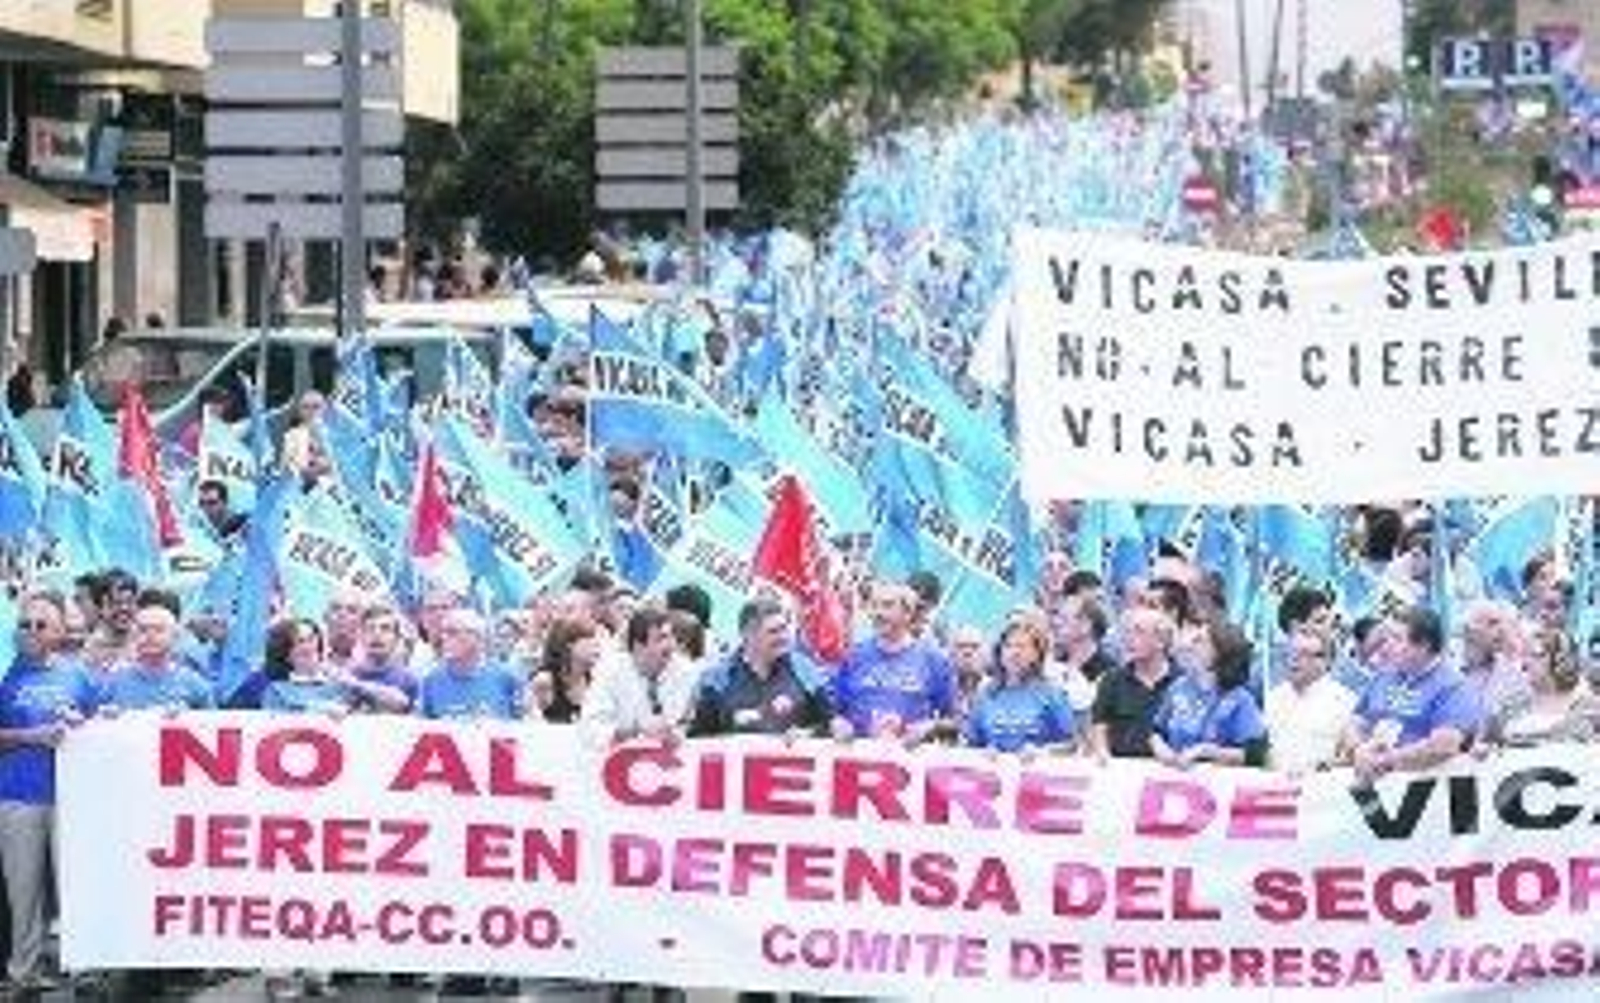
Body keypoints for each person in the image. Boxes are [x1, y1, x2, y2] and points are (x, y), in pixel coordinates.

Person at [0, 592, 98, 990]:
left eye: (42, 625)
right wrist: (32, 736)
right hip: (18, 797)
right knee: (22, 890)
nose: (31, 631)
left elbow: (100, 729)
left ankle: (84, 968)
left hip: (72, 799)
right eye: (25, 624)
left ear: (59, 632)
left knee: (76, 885)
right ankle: (22, 972)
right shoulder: (4, 674)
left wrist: (90, 724)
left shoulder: (79, 676)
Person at [1343, 606, 1482, 783]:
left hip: (1419, 787)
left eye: (1397, 639)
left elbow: (1444, 745)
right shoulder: (1384, 675)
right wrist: (1358, 749)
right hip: (1370, 780)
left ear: (1424, 645)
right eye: (1387, 638)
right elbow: (1355, 722)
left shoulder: (1453, 686)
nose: (1387, 646)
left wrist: (1386, 760)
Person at [828, 582, 956, 744]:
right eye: (874, 606)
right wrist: (839, 723)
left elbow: (953, 722)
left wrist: (929, 727)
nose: (878, 613)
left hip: (910, 757)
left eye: (887, 605)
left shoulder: (934, 659)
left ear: (907, 613)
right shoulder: (853, 656)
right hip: (860, 755)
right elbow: (836, 712)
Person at [688, 599, 831, 738]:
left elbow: (832, 724)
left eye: (784, 629)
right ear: (748, 635)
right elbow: (698, 737)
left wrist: (808, 733)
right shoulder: (717, 678)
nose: (784, 637)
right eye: (773, 631)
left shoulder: (804, 669)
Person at [1149, 620, 1267, 768]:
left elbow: (1255, 754)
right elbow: (1157, 731)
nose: (1189, 646)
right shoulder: (1179, 687)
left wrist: (1207, 751)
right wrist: (1160, 748)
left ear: (1220, 652)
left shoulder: (1240, 699)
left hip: (1218, 777)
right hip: (1175, 773)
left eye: (1200, 641)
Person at [580, 607, 697, 747]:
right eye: (661, 638)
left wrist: (674, 734)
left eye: (671, 637)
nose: (671, 645)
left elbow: (685, 724)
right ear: (638, 646)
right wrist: (636, 732)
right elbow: (593, 728)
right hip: (617, 753)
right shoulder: (609, 671)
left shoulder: (685, 670)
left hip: (669, 754)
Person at [963, 617, 1076, 754]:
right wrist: (984, 751)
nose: (1014, 653)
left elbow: (1071, 744)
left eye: (1021, 647)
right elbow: (972, 742)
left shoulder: (1052, 694)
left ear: (1036, 654)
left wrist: (1042, 752)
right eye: (1008, 646)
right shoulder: (986, 693)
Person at [1266, 628, 1357, 774]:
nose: (1294, 660)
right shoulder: (1274, 697)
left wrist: (1322, 768)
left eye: (1303, 654)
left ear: (1325, 661)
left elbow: (1351, 757)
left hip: (1320, 783)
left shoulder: (1344, 701)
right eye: (1290, 653)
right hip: (1273, 782)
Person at [1089, 606, 1175, 760]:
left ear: (1161, 641)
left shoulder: (1180, 683)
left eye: (1138, 632)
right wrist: (1103, 754)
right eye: (1128, 632)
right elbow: (1099, 726)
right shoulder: (1112, 680)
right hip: (1121, 765)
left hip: (1167, 765)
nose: (1129, 639)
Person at [98, 601, 215, 713]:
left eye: (159, 630)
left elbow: (212, 720)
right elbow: (92, 716)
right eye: (143, 630)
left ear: (175, 636)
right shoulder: (114, 681)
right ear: (133, 636)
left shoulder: (193, 683)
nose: (150, 636)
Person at [416, 609, 523, 720]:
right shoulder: (431, 680)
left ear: (476, 637)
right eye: (443, 633)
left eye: (452, 632)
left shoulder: (507, 677)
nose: (444, 638)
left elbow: (527, 722)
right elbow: (420, 724)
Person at [1502, 629, 1599, 745]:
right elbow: (1493, 742)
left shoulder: (1589, 706)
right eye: (1523, 656)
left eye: (1534, 655)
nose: (1524, 664)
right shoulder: (1513, 704)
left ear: (1559, 660)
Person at [261, 620, 352, 716]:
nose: (309, 647)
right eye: (300, 641)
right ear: (286, 654)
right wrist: (316, 710)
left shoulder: (340, 687)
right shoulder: (276, 691)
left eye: (311, 639)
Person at [341, 606, 417, 714]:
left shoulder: (408, 679)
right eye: (370, 629)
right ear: (361, 637)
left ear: (396, 638)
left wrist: (355, 684)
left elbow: (401, 704)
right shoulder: (349, 674)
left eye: (385, 629)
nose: (377, 634)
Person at [530, 619, 601, 724]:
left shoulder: (596, 679)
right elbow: (530, 721)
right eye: (589, 642)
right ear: (570, 645)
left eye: (597, 643)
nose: (597, 649)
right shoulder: (545, 681)